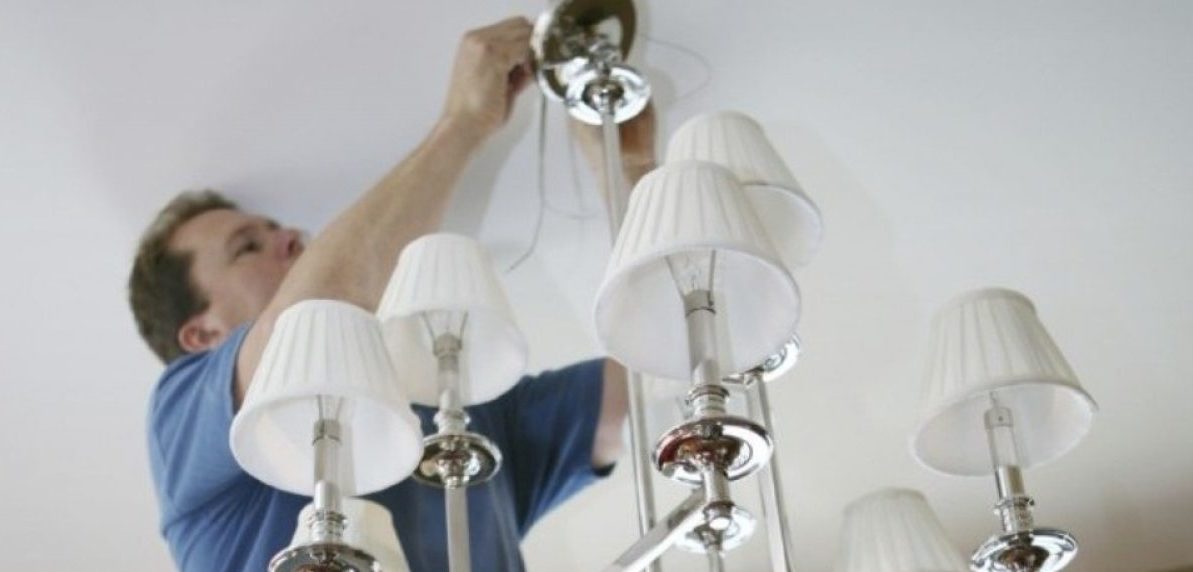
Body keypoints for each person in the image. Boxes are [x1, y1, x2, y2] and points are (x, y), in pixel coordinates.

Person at [127, 16, 657, 572]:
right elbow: (317, 313)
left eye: (277, 229)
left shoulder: (462, 412)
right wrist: (462, 124)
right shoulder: (186, 416)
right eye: (247, 247)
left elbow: (655, 369)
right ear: (203, 334)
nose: (290, 237)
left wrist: (628, 176)